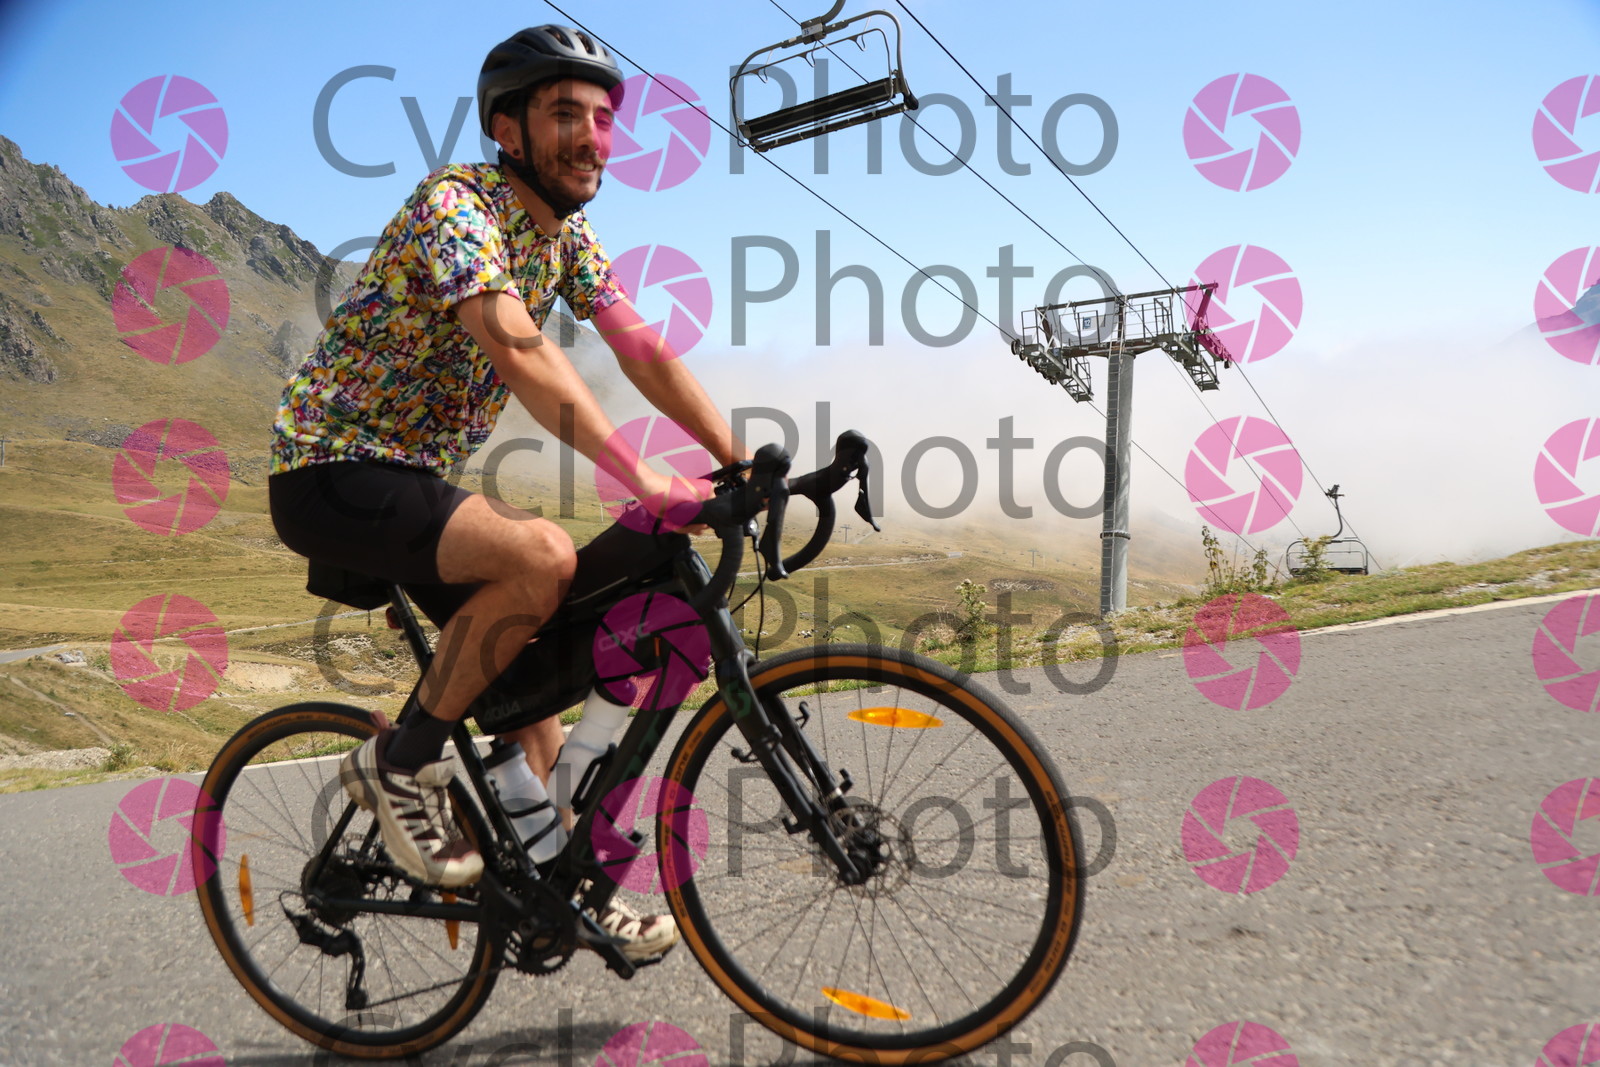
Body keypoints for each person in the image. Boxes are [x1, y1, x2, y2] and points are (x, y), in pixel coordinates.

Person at [266, 25, 745, 961]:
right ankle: (396, 764)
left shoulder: (566, 238)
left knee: (526, 679)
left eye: (603, 118)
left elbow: (639, 346)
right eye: (566, 113)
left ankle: (562, 887)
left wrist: (741, 459)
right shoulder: (457, 205)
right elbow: (518, 348)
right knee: (542, 556)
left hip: (409, 477)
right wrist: (643, 474)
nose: (592, 137)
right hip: (329, 468)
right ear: (508, 129)